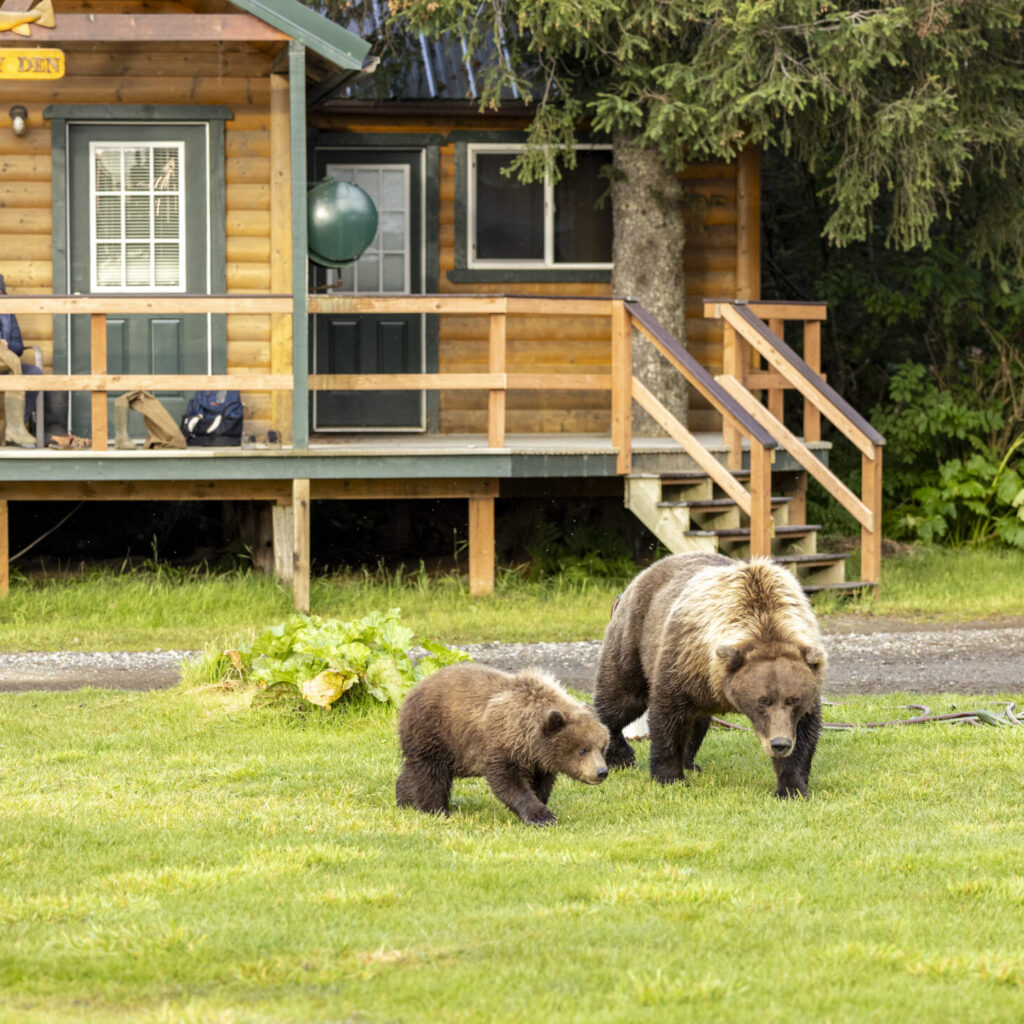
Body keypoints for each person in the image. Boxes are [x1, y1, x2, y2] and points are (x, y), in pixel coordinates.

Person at [0, 275, 86, 449]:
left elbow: (19, 346)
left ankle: (17, 429)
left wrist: (7, 345)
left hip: (7, 364)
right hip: (9, 365)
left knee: (34, 374)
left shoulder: (8, 313)